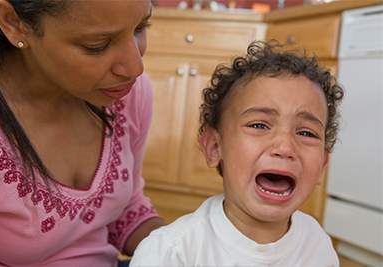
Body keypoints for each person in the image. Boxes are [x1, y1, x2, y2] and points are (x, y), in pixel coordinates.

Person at [0, 0, 166, 266]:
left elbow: (126, 208)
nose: (135, 68)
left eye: (140, 28)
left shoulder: (125, 95)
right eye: (98, 45)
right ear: (13, 22)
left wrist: (183, 247)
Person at [130, 40, 344, 267]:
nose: (285, 148)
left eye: (306, 133)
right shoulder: (171, 253)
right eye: (260, 126)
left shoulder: (317, 245)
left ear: (322, 164)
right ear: (214, 148)